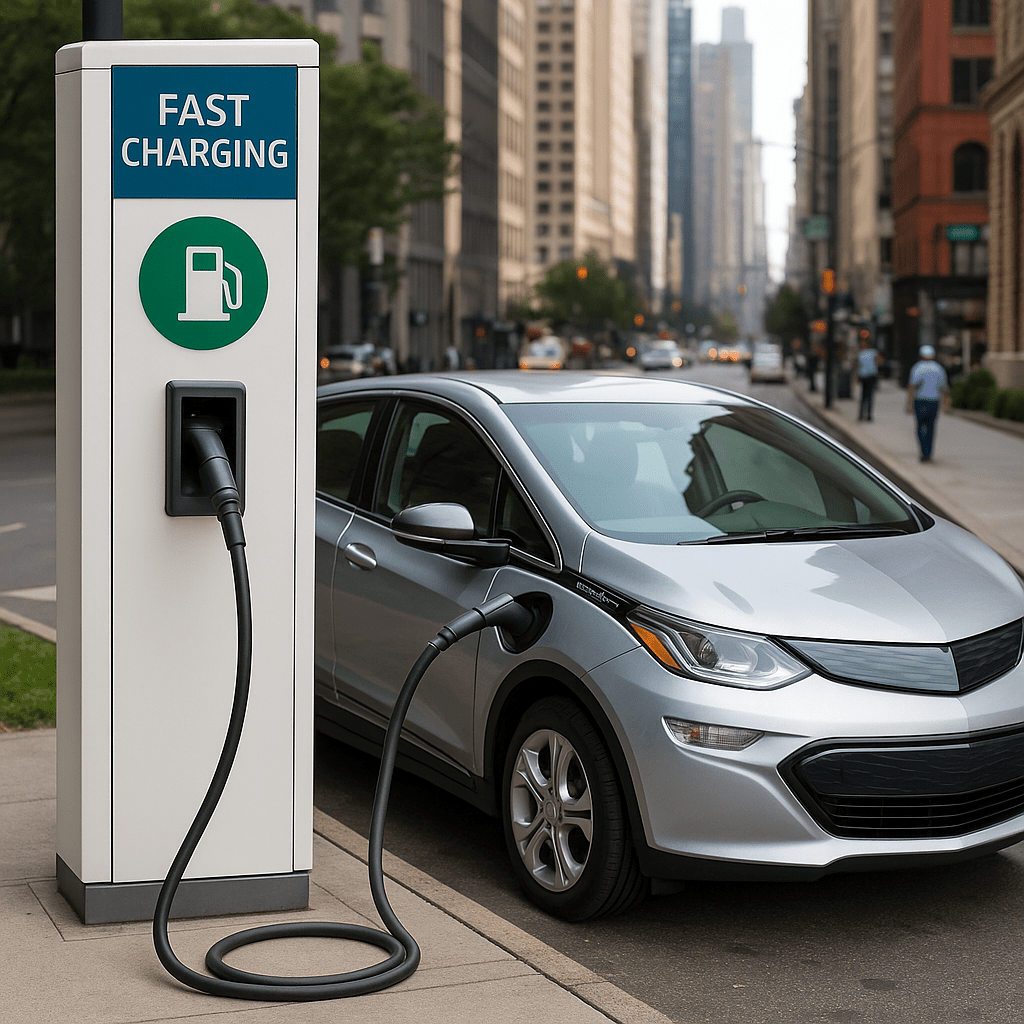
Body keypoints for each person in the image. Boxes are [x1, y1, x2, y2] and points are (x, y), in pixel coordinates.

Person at [905, 345, 950, 462]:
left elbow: (911, 387)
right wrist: (946, 403)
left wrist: (909, 404)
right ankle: (928, 452)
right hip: (933, 402)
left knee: (920, 427)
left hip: (920, 401)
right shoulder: (938, 368)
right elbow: (944, 388)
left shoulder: (917, 368)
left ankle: (923, 451)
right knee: (931, 428)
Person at [856, 337, 882, 421]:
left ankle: (867, 415)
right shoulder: (865, 353)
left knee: (868, 396)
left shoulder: (871, 352)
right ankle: (863, 414)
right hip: (866, 375)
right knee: (865, 396)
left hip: (870, 375)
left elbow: (879, 361)